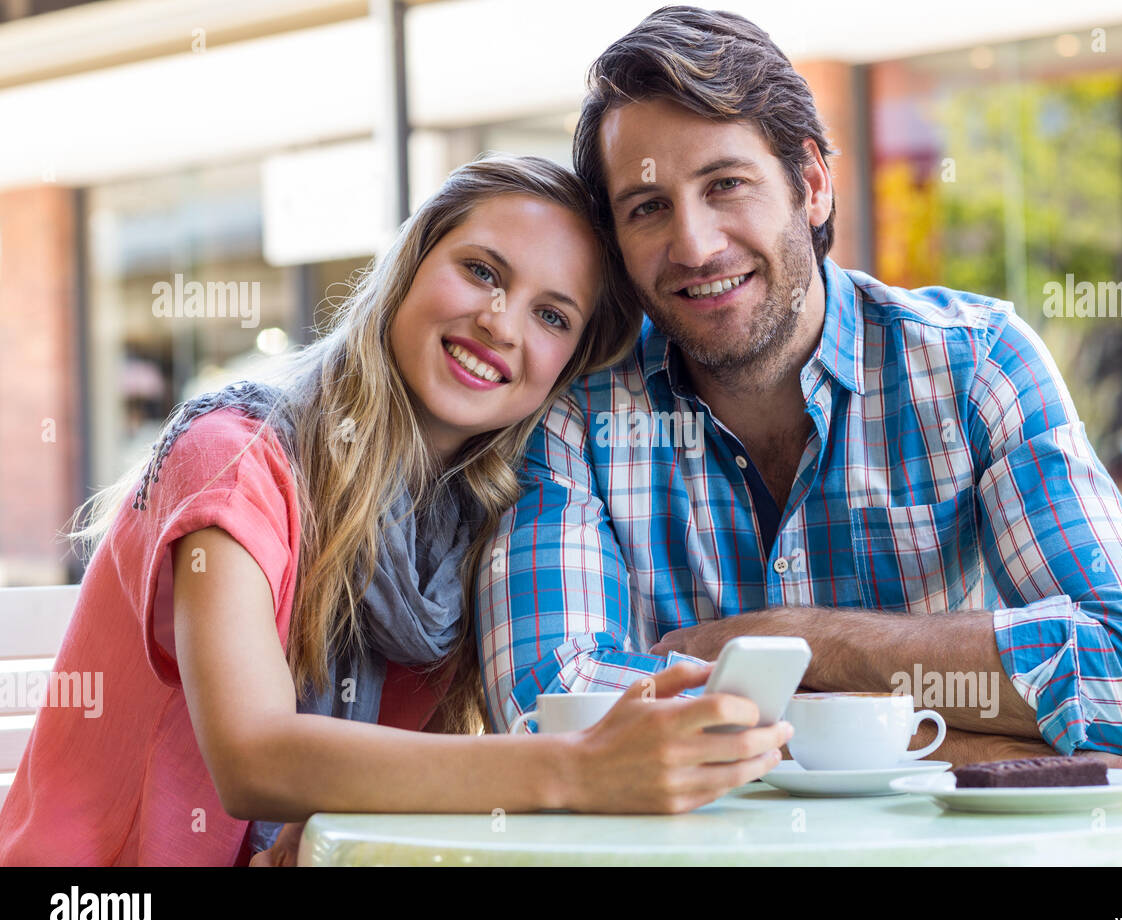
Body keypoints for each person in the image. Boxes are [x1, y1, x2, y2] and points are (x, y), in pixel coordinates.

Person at [0, 154, 792, 867]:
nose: (499, 321)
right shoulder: (236, 452)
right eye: (482, 271)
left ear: (566, 370)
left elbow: (409, 786)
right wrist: (582, 765)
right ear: (410, 266)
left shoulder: (470, 534)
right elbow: (253, 758)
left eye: (552, 316)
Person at [475, 7, 1122, 774]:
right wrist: (950, 738)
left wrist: (790, 639)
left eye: (726, 184)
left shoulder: (976, 367)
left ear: (810, 185)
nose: (695, 245)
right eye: (648, 208)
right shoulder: (575, 418)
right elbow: (549, 712)